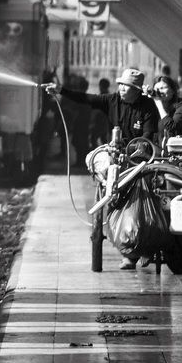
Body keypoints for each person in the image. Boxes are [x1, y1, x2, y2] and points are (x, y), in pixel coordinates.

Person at [47, 67, 159, 269]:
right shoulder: (112, 101)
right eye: (122, 85)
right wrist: (60, 90)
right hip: (116, 155)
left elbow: (149, 135)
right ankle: (129, 251)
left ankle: (143, 247)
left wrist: (138, 150)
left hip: (140, 158)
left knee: (145, 194)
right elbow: (86, 98)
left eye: (128, 87)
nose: (123, 89)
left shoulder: (148, 106)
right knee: (108, 175)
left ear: (137, 90)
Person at [89, 78, 111, 147]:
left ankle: (96, 154)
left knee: (94, 139)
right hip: (105, 122)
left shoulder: (102, 96)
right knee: (103, 139)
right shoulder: (110, 96)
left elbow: (96, 111)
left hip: (100, 122)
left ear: (101, 86)